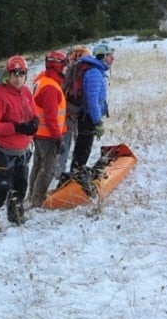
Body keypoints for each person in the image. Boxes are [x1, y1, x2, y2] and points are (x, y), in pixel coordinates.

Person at [0, 55, 37, 232]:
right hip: (4, 151)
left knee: (21, 184)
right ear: (8, 74)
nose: (18, 77)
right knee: (1, 187)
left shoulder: (26, 92)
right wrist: (16, 127)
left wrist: (35, 121)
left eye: (22, 74)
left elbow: (33, 111)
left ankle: (16, 213)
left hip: (23, 149)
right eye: (15, 73)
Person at [27, 50, 67, 207]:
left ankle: (32, 196)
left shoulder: (42, 80)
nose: (66, 69)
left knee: (37, 165)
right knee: (47, 169)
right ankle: (38, 200)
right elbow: (51, 117)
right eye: (64, 65)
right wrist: (58, 138)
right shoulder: (50, 88)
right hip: (48, 136)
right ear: (57, 66)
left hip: (39, 134)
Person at [69, 44, 115, 174]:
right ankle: (74, 178)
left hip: (87, 117)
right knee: (82, 150)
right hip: (87, 118)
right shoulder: (94, 73)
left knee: (83, 149)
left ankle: (76, 175)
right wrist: (97, 121)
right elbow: (92, 101)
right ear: (102, 57)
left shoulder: (96, 71)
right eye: (110, 55)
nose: (113, 58)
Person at [56, 45, 91, 179]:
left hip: (67, 112)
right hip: (74, 112)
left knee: (66, 145)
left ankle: (60, 173)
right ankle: (64, 174)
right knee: (71, 145)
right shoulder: (82, 71)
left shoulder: (71, 70)